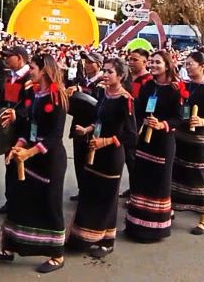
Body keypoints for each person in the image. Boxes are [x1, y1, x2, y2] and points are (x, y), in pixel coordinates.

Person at [0, 54, 68, 274]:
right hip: (26, 154)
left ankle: (57, 255)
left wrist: (29, 152)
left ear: (44, 70)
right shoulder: (32, 92)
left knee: (49, 205)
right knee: (19, 200)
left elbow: (55, 136)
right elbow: (25, 123)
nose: (29, 70)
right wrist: (18, 145)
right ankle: (9, 249)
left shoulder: (57, 96)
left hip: (48, 160)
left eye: (32, 67)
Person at [67, 58, 135, 258]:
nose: (105, 75)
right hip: (94, 150)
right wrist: (86, 129)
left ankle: (107, 240)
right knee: (90, 193)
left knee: (107, 196)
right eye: (104, 71)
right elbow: (98, 121)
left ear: (120, 76)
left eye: (110, 72)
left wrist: (106, 141)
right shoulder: (103, 94)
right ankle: (84, 236)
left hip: (112, 154)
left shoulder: (126, 100)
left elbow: (131, 134)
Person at [125, 50, 182, 241]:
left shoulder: (176, 89)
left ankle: (155, 229)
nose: (153, 65)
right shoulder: (148, 85)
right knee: (141, 181)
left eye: (158, 62)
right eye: (151, 62)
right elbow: (140, 109)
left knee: (159, 183)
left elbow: (180, 118)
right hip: (145, 141)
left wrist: (161, 125)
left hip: (163, 142)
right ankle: (135, 225)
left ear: (167, 65)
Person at [171, 51, 204, 234]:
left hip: (199, 139)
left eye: (191, 63)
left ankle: (203, 218)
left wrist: (203, 121)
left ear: (202, 66)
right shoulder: (183, 86)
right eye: (186, 63)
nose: (187, 66)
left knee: (198, 175)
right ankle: (172, 208)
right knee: (177, 172)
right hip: (180, 135)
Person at [0, 46, 32, 215]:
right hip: (9, 128)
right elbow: (2, 101)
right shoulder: (9, 77)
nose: (6, 59)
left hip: (24, 128)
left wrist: (19, 114)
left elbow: (31, 104)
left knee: (22, 165)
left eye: (9, 56)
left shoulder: (30, 79)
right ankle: (11, 200)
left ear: (20, 58)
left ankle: (23, 202)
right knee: (9, 164)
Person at [67, 51, 104, 201]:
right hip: (78, 124)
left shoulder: (102, 82)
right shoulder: (81, 81)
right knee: (79, 160)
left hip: (93, 126)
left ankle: (91, 192)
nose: (87, 65)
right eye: (86, 62)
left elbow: (98, 104)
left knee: (92, 161)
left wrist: (81, 91)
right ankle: (82, 189)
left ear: (99, 65)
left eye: (91, 62)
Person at [121, 49, 152, 198]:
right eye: (130, 59)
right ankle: (133, 187)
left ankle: (138, 192)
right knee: (128, 158)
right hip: (124, 123)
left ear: (145, 62)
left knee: (135, 160)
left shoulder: (148, 81)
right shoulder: (126, 78)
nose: (131, 62)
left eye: (135, 60)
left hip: (138, 125)